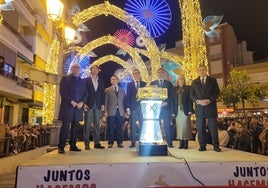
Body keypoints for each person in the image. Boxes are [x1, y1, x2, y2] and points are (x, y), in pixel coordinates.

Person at [58, 63, 88, 154]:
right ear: (71, 69)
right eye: (74, 67)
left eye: (78, 67)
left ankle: (73, 145)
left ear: (80, 70)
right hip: (68, 106)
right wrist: (72, 101)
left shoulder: (82, 81)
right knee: (65, 127)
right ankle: (61, 146)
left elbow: (86, 94)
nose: (76, 69)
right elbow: (63, 92)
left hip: (78, 107)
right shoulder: (65, 78)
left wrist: (82, 102)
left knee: (75, 127)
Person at [190, 65, 221, 152]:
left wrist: (210, 100)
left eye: (203, 69)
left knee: (213, 128)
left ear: (206, 70)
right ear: (198, 71)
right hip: (199, 108)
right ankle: (202, 146)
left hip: (210, 107)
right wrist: (197, 101)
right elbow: (191, 95)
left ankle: (216, 146)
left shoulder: (212, 80)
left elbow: (217, 92)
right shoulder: (194, 82)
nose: (201, 71)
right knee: (200, 128)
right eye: (199, 70)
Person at [150, 67, 174, 148]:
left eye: (161, 72)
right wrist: (157, 103)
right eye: (158, 72)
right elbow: (151, 96)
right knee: (156, 125)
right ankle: (155, 141)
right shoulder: (152, 84)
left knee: (167, 125)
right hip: (156, 109)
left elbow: (171, 96)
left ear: (163, 73)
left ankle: (169, 142)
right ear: (156, 74)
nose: (160, 73)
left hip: (166, 108)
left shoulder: (169, 84)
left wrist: (166, 102)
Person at [83, 65, 105, 150]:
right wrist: (84, 103)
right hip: (89, 104)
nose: (94, 70)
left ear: (98, 70)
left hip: (98, 104)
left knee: (97, 124)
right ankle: (87, 143)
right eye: (92, 68)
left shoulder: (101, 81)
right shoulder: (86, 80)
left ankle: (97, 143)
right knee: (87, 124)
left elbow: (103, 93)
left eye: (95, 68)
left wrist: (103, 104)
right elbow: (84, 92)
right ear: (91, 70)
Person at [172, 74, 194, 149]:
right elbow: (173, 101)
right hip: (177, 110)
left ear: (184, 80)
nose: (181, 80)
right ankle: (181, 142)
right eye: (180, 78)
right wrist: (172, 112)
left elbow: (190, 100)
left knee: (185, 126)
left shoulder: (188, 88)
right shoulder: (174, 89)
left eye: (182, 78)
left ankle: (186, 143)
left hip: (185, 110)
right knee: (179, 127)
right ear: (177, 80)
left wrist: (190, 110)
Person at [126, 68, 146, 148]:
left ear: (139, 74)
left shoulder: (144, 84)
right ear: (133, 75)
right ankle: (133, 142)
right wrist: (127, 108)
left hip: (142, 107)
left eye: (137, 73)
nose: (136, 74)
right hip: (133, 107)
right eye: (134, 73)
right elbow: (128, 97)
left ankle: (142, 141)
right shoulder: (129, 84)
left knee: (142, 124)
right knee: (133, 126)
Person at [104, 75, 125, 148]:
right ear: (110, 81)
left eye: (115, 79)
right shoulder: (107, 90)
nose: (113, 80)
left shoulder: (122, 90)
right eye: (112, 79)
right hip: (110, 111)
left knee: (119, 127)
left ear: (118, 80)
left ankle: (120, 143)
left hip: (120, 111)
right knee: (110, 128)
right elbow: (105, 101)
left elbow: (124, 102)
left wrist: (125, 111)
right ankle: (110, 143)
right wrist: (105, 112)